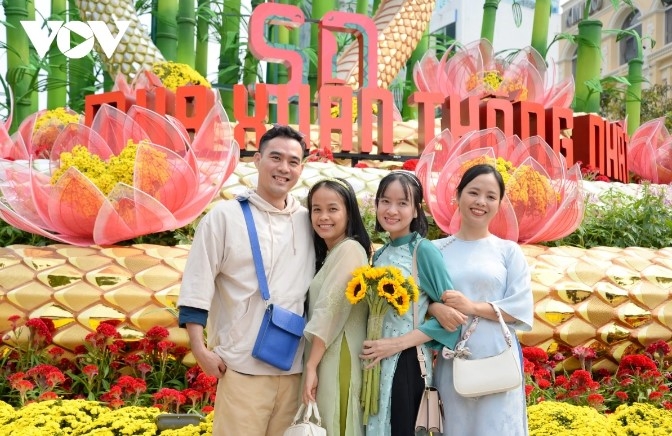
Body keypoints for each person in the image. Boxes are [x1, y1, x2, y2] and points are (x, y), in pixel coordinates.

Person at [177, 124, 316, 435]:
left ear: (301, 168)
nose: (284, 168)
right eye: (275, 158)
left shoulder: (309, 221)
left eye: (293, 162)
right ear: (257, 159)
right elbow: (197, 284)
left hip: (294, 370)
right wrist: (200, 350)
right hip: (241, 367)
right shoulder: (224, 217)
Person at [359, 171, 467, 436]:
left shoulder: (423, 251)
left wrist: (396, 344)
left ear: (416, 210)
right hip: (377, 361)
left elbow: (453, 321)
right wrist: (428, 305)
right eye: (385, 201)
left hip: (406, 363)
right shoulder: (381, 253)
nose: (391, 210)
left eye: (402, 203)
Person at [430, 163, 534, 436]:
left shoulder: (508, 251)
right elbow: (417, 299)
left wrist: (471, 307)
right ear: (458, 194)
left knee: (496, 427)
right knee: (455, 426)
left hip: (496, 354)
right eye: (473, 192)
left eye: (491, 196)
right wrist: (434, 307)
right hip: (453, 358)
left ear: (500, 203)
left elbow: (520, 308)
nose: (481, 202)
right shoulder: (436, 250)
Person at [302, 178, 372, 436]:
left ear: (349, 212)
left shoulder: (350, 250)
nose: (323, 217)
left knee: (335, 423)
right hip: (326, 353)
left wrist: (311, 366)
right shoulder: (333, 253)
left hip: (336, 353)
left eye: (333, 209)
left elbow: (330, 310)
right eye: (316, 209)